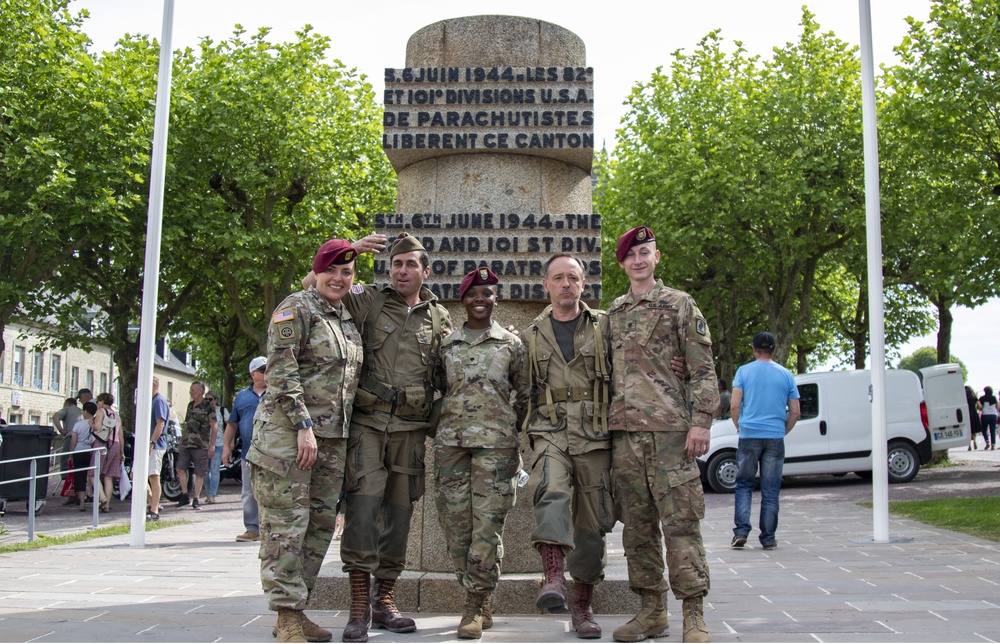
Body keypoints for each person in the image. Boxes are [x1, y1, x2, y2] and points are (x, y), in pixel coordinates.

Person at [335, 233, 452, 643]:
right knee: (363, 511)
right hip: (367, 425)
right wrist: (348, 251)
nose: (402, 271)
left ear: (426, 270)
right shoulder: (368, 300)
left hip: (409, 432)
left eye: (410, 265)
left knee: (399, 517)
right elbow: (315, 284)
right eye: (396, 264)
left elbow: (449, 377)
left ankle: (384, 599)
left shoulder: (439, 319)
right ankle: (357, 604)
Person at [246, 238, 364, 643]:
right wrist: (302, 425)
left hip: (330, 442)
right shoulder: (295, 307)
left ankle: (295, 611)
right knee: (286, 528)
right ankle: (285, 615)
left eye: (346, 272)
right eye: (331, 269)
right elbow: (281, 370)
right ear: (316, 272)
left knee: (318, 528)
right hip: (288, 441)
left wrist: (357, 246)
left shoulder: (344, 317)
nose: (339, 277)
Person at [607, 226, 718, 644]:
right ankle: (651, 612)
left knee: (681, 526)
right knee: (637, 530)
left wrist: (701, 421)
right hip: (626, 438)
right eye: (630, 254)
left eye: (645, 252)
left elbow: (703, 368)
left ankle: (694, 614)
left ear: (657, 257)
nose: (638, 260)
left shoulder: (680, 304)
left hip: (672, 434)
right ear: (621, 264)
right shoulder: (613, 313)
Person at [520, 253, 614, 638]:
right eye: (557, 278)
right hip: (550, 430)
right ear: (545, 285)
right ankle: (553, 578)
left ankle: (582, 605)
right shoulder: (530, 335)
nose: (565, 285)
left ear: (583, 283)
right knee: (551, 491)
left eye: (572, 278)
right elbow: (517, 388)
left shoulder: (605, 327)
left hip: (595, 434)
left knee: (592, 524)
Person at [434, 267, 528, 639]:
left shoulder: (511, 345)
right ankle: (478, 587)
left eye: (487, 294)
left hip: (497, 449)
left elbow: (524, 392)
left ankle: (474, 603)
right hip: (452, 448)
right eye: (473, 294)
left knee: (487, 528)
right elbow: (438, 388)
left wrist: (508, 427)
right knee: (456, 528)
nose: (480, 300)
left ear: (495, 299)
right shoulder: (447, 346)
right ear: (463, 299)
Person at [729, 332, 800, 550]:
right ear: (774, 349)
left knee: (744, 485)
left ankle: (741, 531)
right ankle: (768, 538)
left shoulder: (744, 371)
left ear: (753, 348)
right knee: (770, 490)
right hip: (775, 436)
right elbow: (795, 412)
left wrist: (740, 426)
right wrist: (782, 431)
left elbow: (734, 405)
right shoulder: (786, 374)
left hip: (749, 435)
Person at [225, 356, 267, 542]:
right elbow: (232, 424)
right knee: (249, 492)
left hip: (274, 453)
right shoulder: (241, 396)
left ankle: (272, 529)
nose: (267, 373)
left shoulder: (277, 392)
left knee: (273, 491)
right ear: (253, 374)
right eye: (263, 370)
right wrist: (226, 446)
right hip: (248, 453)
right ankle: (252, 529)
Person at [176, 381, 217, 510]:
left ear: (200, 391)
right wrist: (181, 441)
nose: (190, 392)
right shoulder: (190, 406)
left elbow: (214, 426)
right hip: (187, 443)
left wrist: (212, 445)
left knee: (199, 472)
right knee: (180, 468)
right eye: (190, 390)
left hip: (201, 444)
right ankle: (184, 495)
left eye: (193, 390)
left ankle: (196, 498)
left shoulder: (208, 406)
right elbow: (187, 424)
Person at [90, 392, 123, 513]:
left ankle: (102, 498)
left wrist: (91, 423)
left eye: (98, 401)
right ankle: (107, 505)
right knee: (109, 477)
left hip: (102, 443)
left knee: (93, 473)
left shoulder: (101, 412)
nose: (97, 404)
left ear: (102, 402)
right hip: (115, 445)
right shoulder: (117, 415)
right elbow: (120, 435)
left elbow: (97, 427)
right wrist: (121, 452)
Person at [148, 377, 171, 521]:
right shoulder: (150, 401)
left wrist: (151, 442)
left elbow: (160, 424)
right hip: (149, 443)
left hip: (156, 445)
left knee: (153, 475)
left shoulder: (158, 401)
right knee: (137, 476)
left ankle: (154, 509)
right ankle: (152, 502)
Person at [69, 401, 98, 511]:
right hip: (91, 452)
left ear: (86, 411)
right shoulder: (96, 424)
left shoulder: (78, 425)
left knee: (80, 477)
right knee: (93, 476)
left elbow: (73, 441)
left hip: (79, 452)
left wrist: (70, 454)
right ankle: (95, 497)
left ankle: (82, 504)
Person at [52, 397, 82, 489]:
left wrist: (61, 430)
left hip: (70, 437)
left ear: (67, 403)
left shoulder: (67, 409)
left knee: (65, 459)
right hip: (81, 440)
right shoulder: (81, 411)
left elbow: (55, 416)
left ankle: (66, 480)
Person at [204, 392, 227, 503]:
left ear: (215, 400)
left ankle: (212, 495)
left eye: (211, 399)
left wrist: (229, 442)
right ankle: (208, 493)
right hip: (204, 444)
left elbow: (230, 426)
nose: (208, 401)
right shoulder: (203, 411)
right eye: (206, 399)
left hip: (218, 443)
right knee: (204, 471)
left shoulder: (222, 411)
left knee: (214, 470)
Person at [965, 385, 982, 450]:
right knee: (974, 429)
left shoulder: (964, 397)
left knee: (968, 429)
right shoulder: (974, 397)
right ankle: (974, 441)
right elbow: (979, 406)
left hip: (966, 413)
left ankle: (969, 445)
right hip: (973, 413)